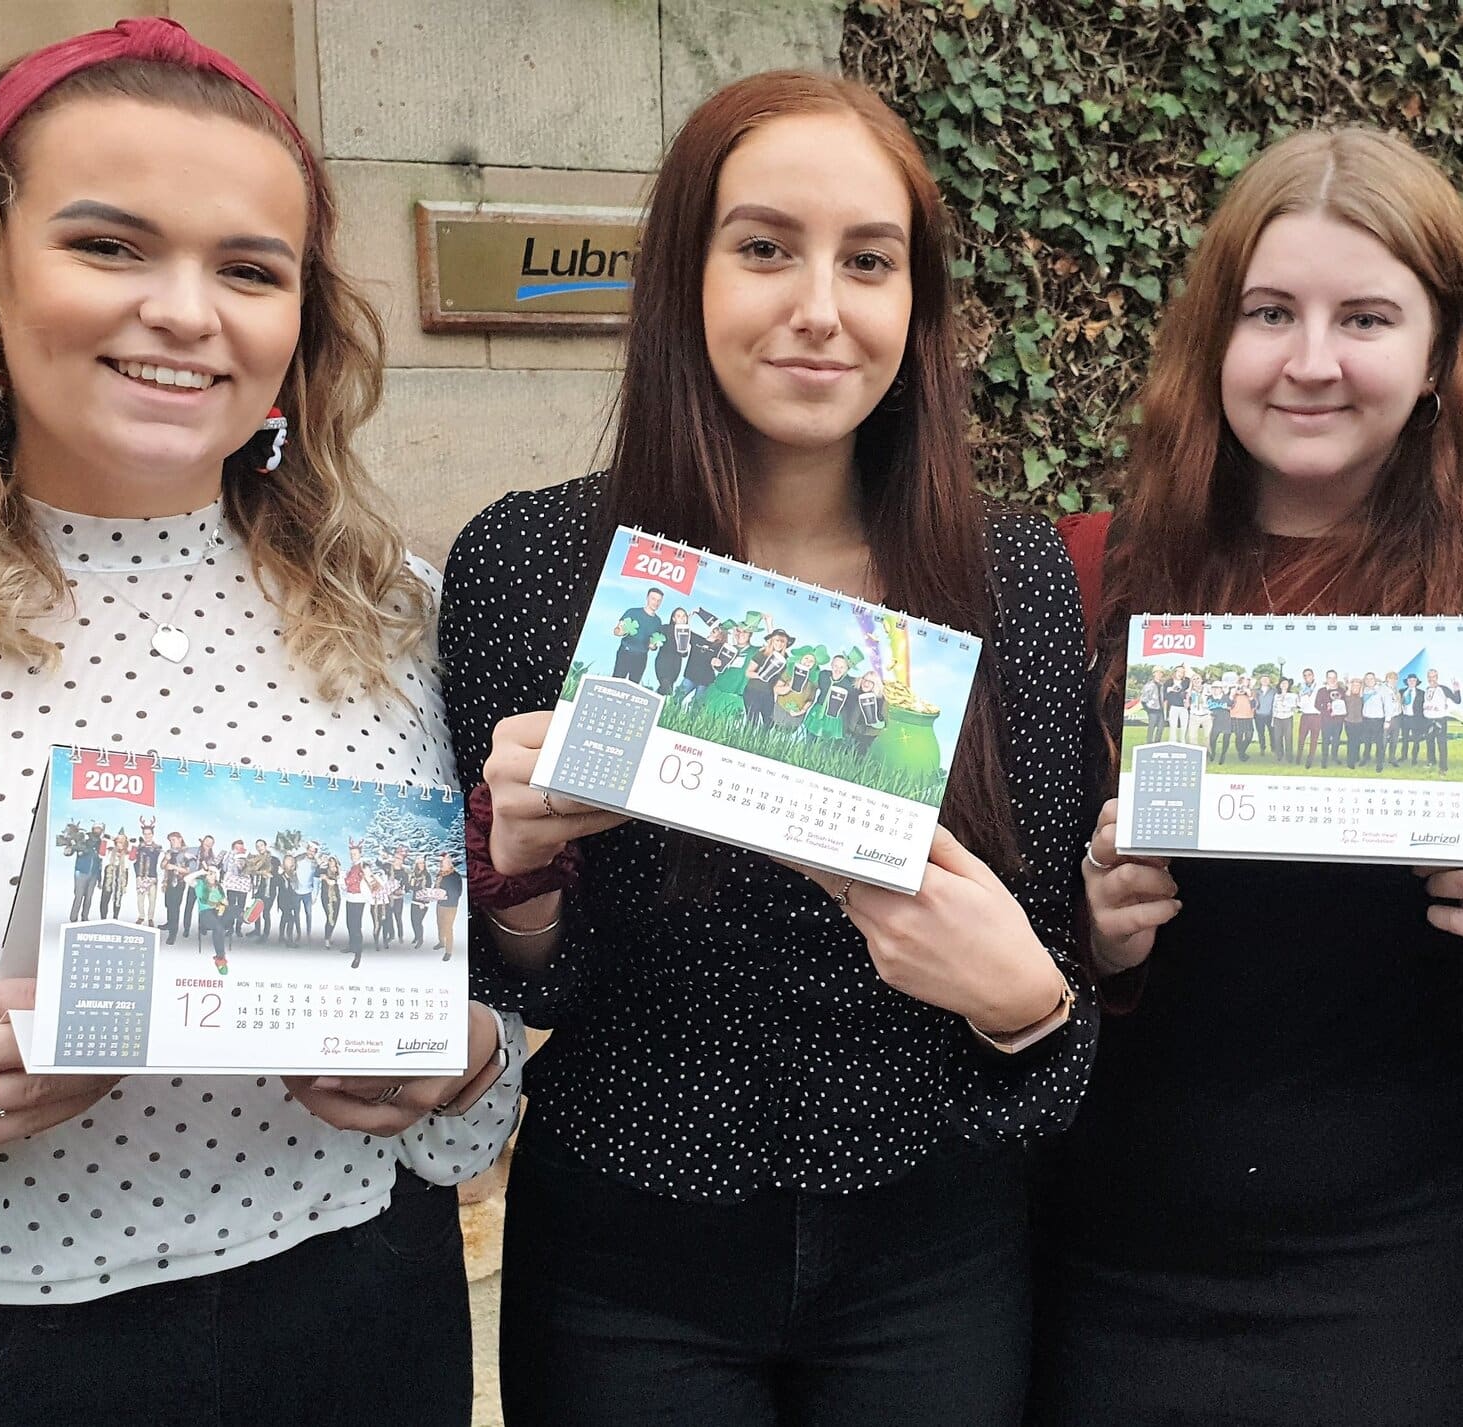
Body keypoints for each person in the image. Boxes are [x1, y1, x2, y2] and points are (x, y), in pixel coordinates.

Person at [0, 22, 520, 1425]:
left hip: (370, 1322)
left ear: (300, 326)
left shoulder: (393, 609)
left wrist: (458, 1053)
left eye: (248, 268)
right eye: (109, 246)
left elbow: (482, 1032)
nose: (186, 310)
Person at [440, 71, 1095, 1426]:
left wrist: (1020, 1000)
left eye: (869, 259)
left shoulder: (1014, 585)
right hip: (625, 1246)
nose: (818, 306)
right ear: (686, 276)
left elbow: (1055, 1009)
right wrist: (521, 877)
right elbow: (511, 982)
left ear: (915, 306)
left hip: (932, 1247)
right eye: (764, 247)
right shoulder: (531, 565)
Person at [1044, 127, 1463, 1426]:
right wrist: (1089, 936)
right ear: (1215, 342)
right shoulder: (1090, 575)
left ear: (1439, 357)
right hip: (1121, 1243)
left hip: (1427, 1251)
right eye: (1270, 313)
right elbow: (1004, 909)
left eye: (1365, 315)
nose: (1311, 360)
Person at [613, 586, 665, 687]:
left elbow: (654, 644)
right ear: (647, 598)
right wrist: (619, 631)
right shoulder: (632, 612)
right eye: (653, 599)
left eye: (659, 600)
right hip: (625, 653)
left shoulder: (658, 621)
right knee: (616, 683)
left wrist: (653, 646)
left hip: (641, 657)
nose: (656, 602)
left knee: (633, 687)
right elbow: (616, 630)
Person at [432, 851, 463, 959]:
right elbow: (436, 887)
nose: (441, 865)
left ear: (449, 864)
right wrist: (433, 894)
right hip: (440, 904)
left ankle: (448, 952)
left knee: (448, 928)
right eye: (441, 863)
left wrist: (446, 896)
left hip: (450, 906)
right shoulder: (440, 875)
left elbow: (458, 893)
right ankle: (441, 942)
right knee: (439, 924)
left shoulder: (455, 876)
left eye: (444, 863)